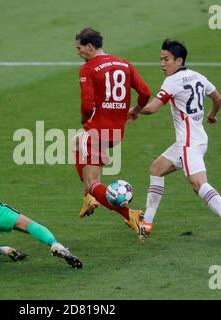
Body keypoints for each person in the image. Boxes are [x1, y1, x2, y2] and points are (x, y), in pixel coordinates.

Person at [127, 39, 221, 246]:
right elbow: (218, 99)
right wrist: (212, 115)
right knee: (156, 168)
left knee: (198, 184)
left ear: (179, 60)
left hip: (189, 144)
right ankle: (148, 222)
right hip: (194, 140)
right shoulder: (198, 76)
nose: (163, 64)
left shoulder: (172, 81)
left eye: (167, 59)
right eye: (161, 59)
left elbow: (152, 108)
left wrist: (133, 110)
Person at [73, 27, 152, 240]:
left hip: (97, 130)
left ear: (90, 46)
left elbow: (88, 104)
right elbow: (145, 92)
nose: (78, 53)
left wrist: (85, 119)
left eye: (79, 48)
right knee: (76, 140)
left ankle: (130, 215)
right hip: (116, 132)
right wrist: (135, 110)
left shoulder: (88, 69)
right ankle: (89, 198)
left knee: (93, 184)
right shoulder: (124, 64)